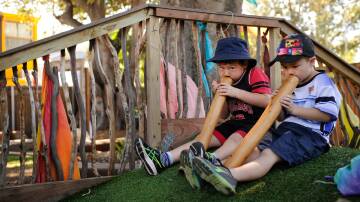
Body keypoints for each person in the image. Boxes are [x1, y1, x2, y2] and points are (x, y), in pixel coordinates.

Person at [192, 33, 342, 195]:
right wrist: (277, 105)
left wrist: (295, 109)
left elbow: (328, 115)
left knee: (269, 155)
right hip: (285, 130)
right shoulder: (291, 85)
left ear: (311, 62)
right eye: (284, 67)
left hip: (310, 136)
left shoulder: (323, 82)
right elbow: (282, 118)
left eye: (294, 66)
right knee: (254, 150)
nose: (289, 72)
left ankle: (230, 175)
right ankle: (215, 168)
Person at [134, 37, 272, 189]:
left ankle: (210, 160)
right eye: (221, 68)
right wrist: (220, 96)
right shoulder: (226, 81)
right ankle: (163, 159)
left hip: (257, 124)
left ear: (244, 65)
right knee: (203, 138)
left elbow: (267, 101)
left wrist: (235, 92)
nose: (225, 72)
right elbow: (224, 115)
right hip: (235, 122)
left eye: (231, 68)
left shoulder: (254, 74)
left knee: (235, 138)